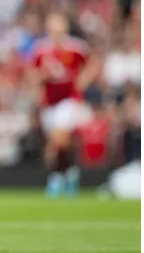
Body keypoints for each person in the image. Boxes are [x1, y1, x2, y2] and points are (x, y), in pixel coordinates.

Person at [30, 12, 99, 197]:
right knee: (61, 144)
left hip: (69, 100)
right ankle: (69, 173)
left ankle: (55, 178)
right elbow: (32, 75)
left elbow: (93, 64)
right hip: (49, 102)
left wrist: (83, 80)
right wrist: (42, 77)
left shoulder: (76, 47)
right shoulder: (41, 49)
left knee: (57, 138)